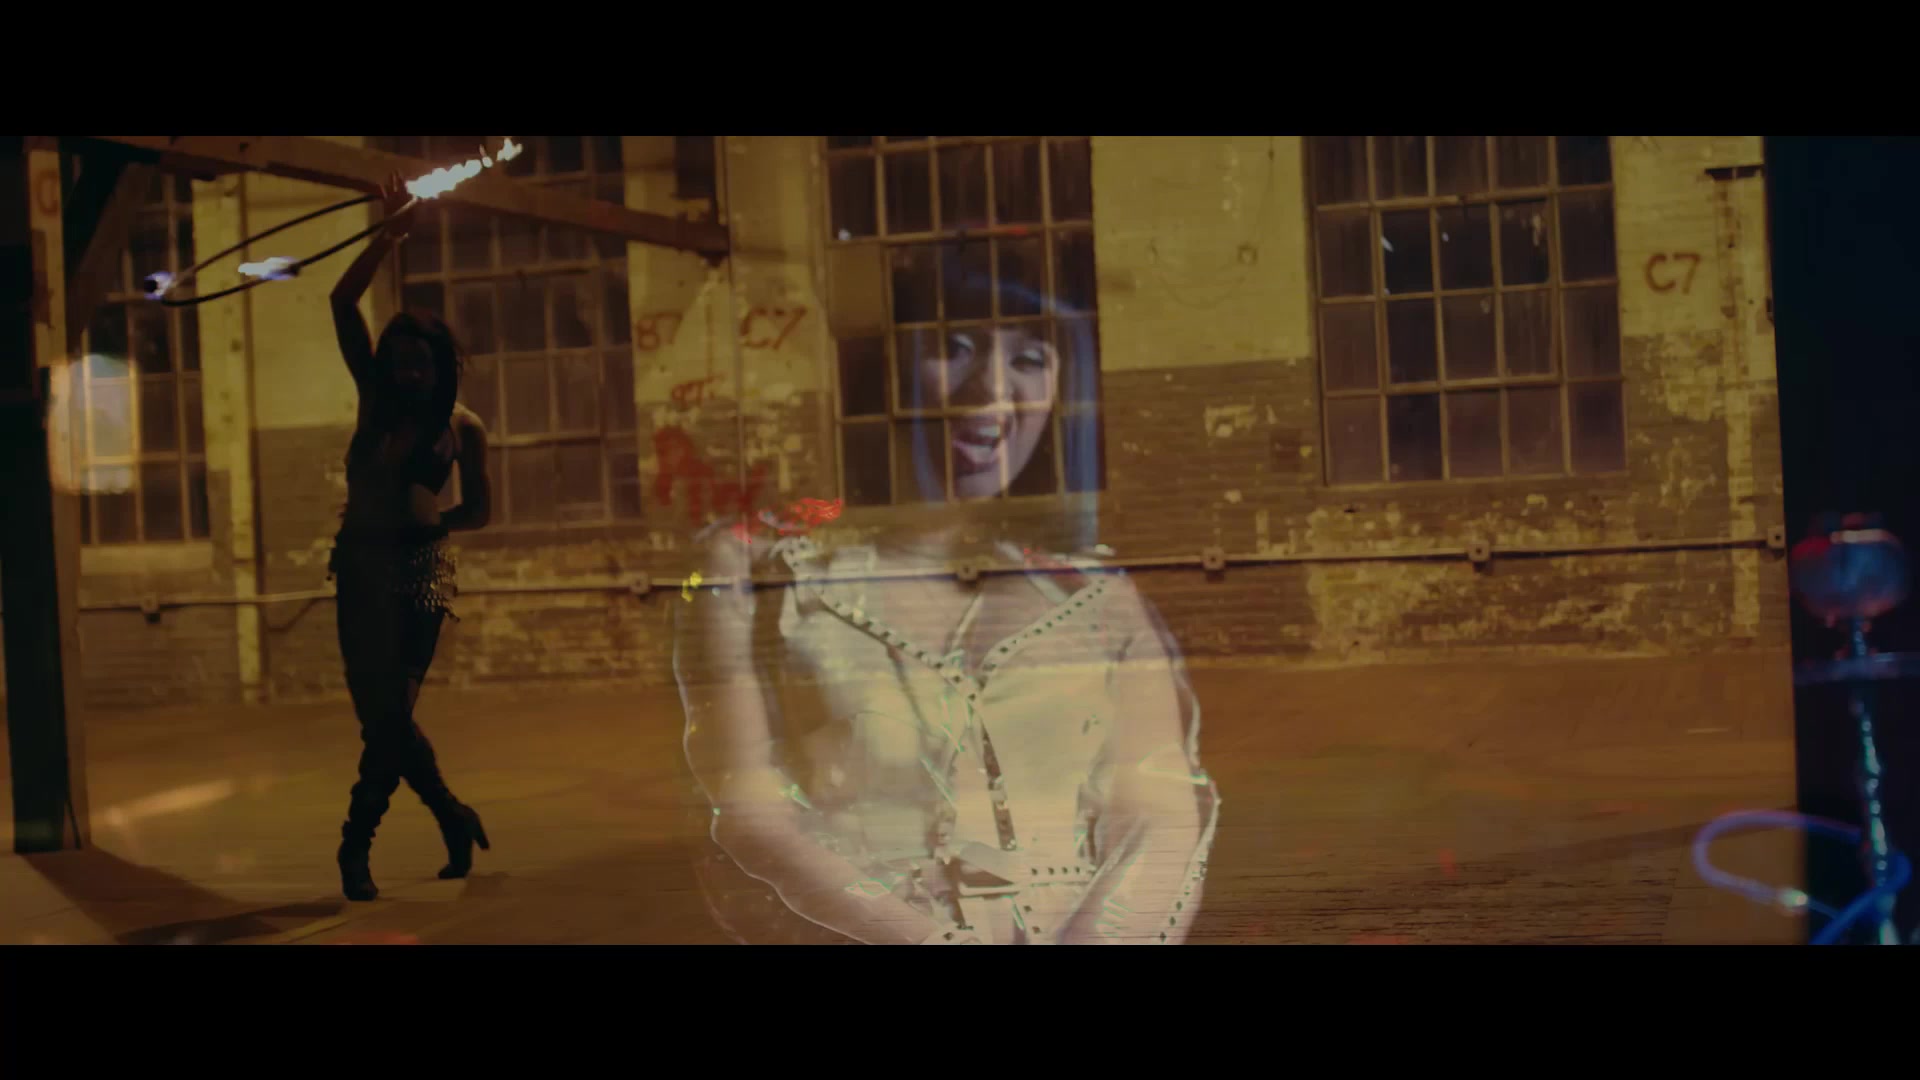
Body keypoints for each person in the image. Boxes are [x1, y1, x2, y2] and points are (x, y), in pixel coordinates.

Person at [675, 271, 1220, 945]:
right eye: (953, 347)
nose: (990, 389)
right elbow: (751, 817)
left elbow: (1159, 817)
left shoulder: (1095, 594)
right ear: (885, 371)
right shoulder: (761, 576)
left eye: (1029, 359)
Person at [327, 177, 494, 902]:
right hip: (359, 570)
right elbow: (341, 303)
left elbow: (480, 510)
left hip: (419, 573)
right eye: (398, 362)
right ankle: (453, 816)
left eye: (420, 363)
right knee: (380, 716)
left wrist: (429, 528)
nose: (408, 373)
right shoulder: (374, 403)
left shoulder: (462, 427)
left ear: (440, 364)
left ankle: (354, 846)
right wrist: (385, 237)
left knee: (390, 716)